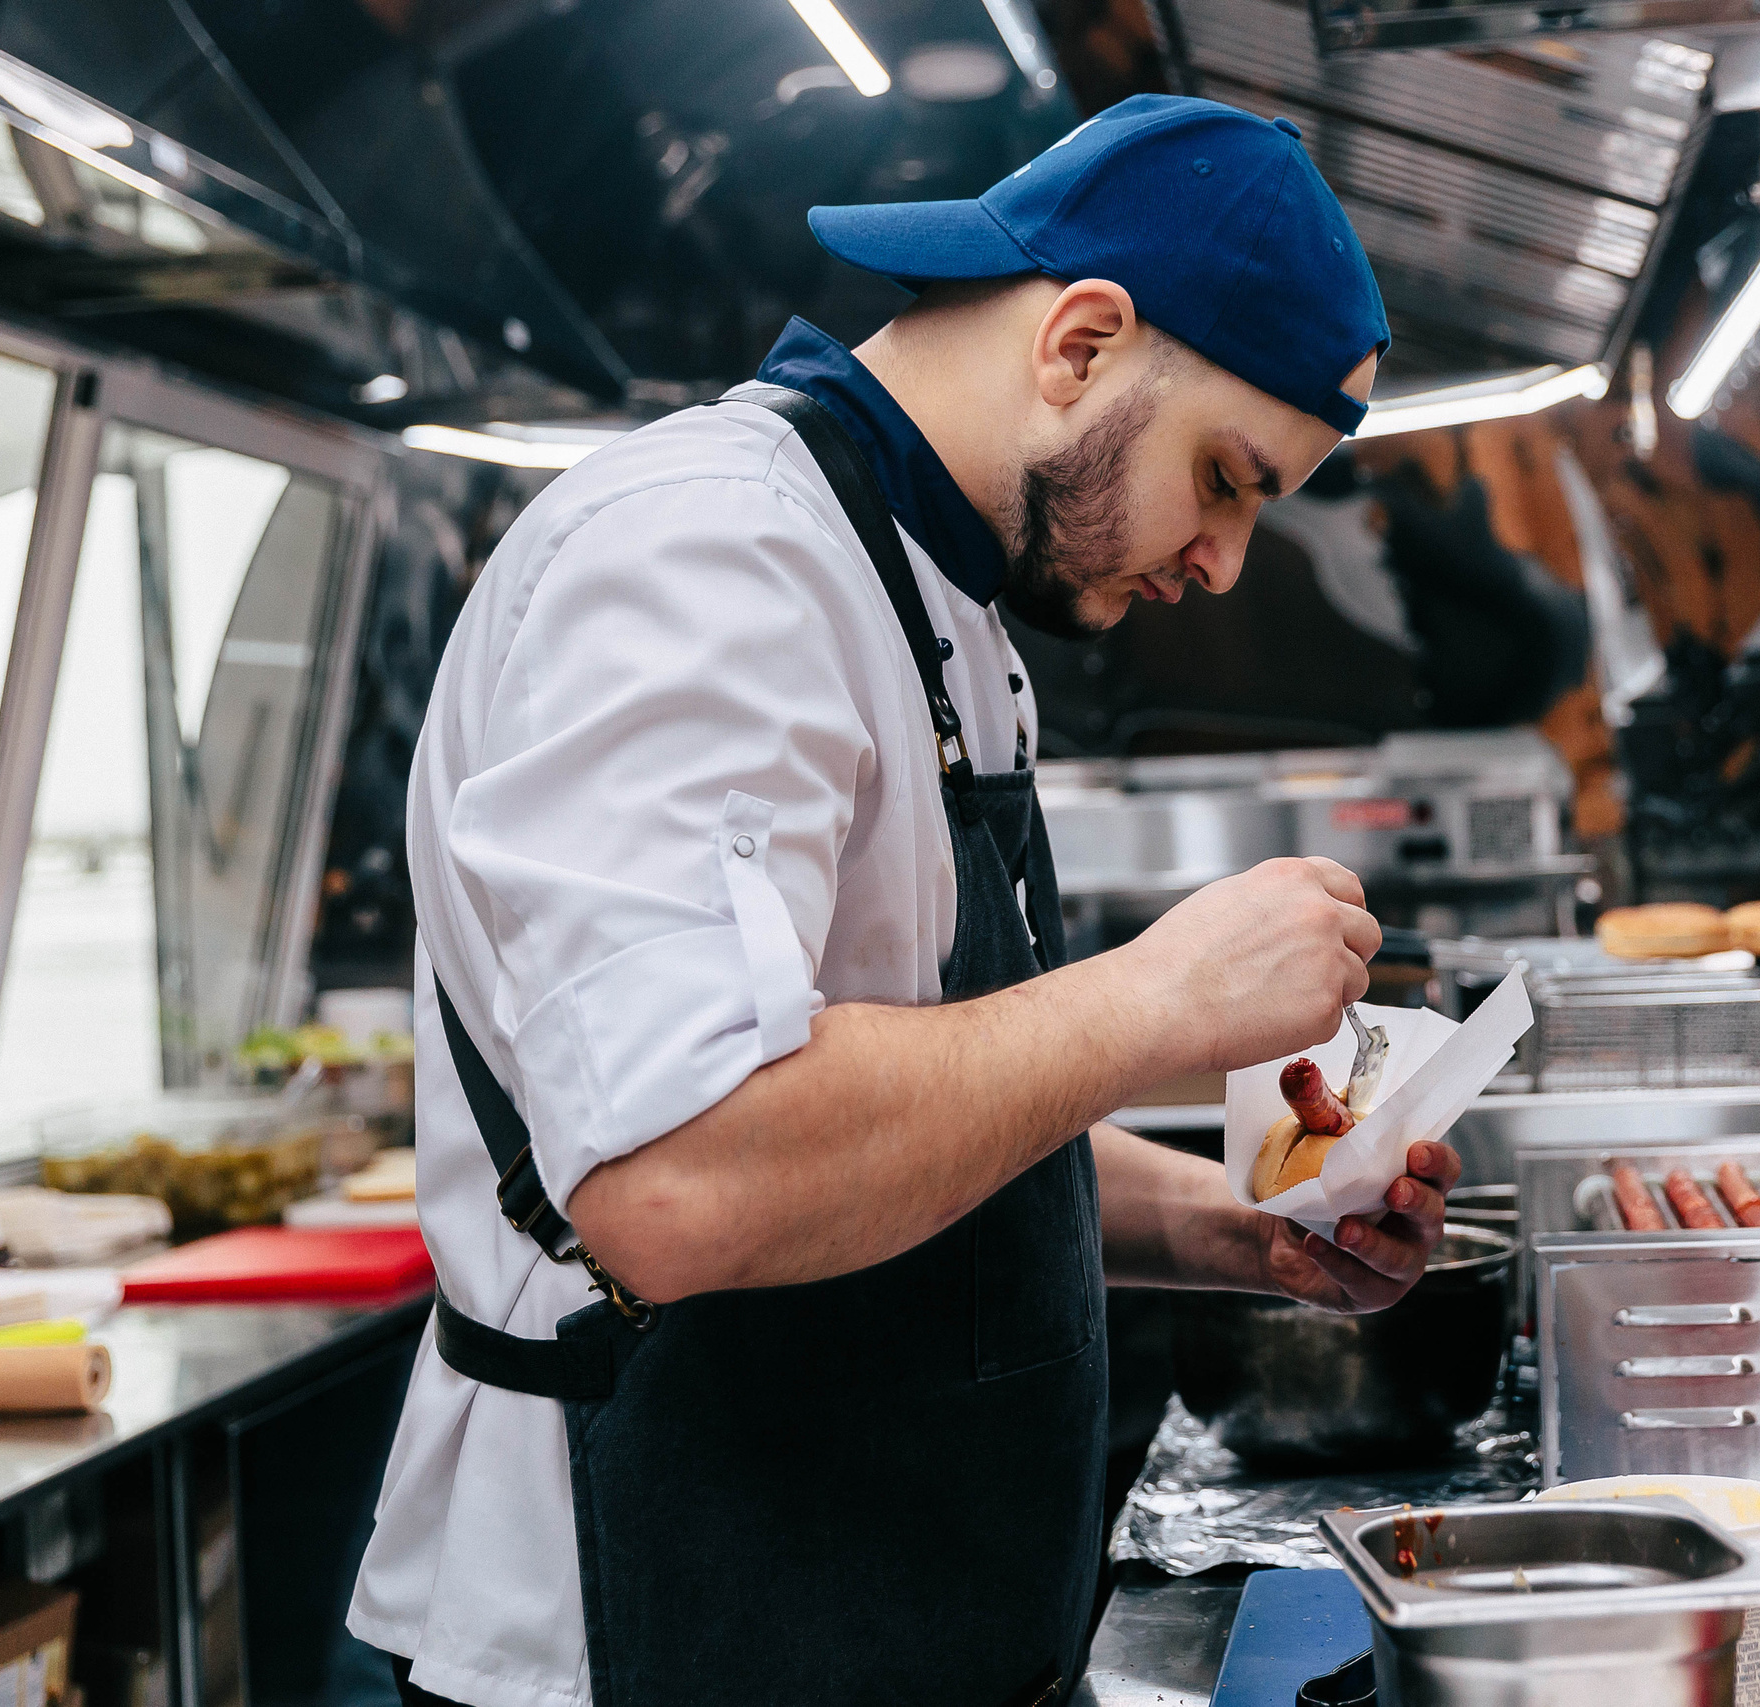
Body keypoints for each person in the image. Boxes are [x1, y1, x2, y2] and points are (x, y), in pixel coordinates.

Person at [348, 94, 1461, 1707]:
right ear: (1079, 343)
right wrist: (1162, 996)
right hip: (664, 1620)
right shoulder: (711, 557)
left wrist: (1238, 1229)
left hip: (892, 1604)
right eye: (1227, 478)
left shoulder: (939, 595)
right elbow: (682, 1176)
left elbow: (910, 1111)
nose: (1223, 563)